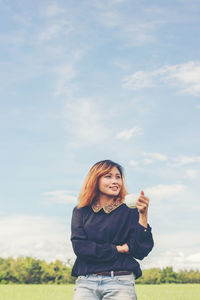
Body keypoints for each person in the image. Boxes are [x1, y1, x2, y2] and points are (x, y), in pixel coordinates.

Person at [71, 160, 154, 300]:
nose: (115, 181)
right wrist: (119, 249)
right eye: (108, 176)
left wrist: (143, 214)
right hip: (86, 281)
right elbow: (80, 248)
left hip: (120, 281)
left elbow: (140, 249)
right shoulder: (81, 211)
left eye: (118, 177)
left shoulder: (130, 210)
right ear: (95, 180)